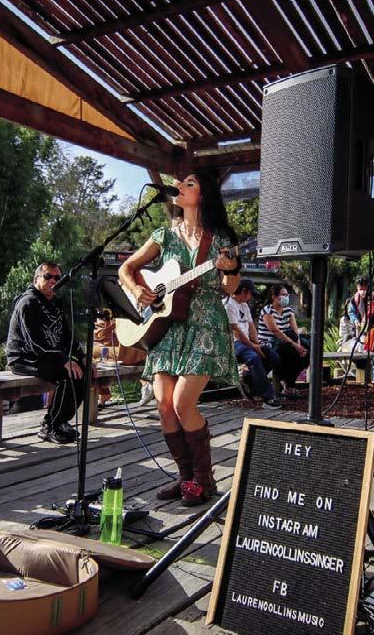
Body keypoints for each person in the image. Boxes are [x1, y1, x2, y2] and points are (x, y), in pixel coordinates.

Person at [119, 171, 240, 506]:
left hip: (205, 325)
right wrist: (138, 291)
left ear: (204, 194)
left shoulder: (221, 238)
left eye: (189, 183)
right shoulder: (164, 236)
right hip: (167, 326)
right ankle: (185, 478)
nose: (180, 187)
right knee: (163, 405)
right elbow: (126, 269)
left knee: (182, 403)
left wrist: (229, 269)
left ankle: (204, 480)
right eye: (180, 183)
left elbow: (230, 288)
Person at [6, 261, 86, 444]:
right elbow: (35, 344)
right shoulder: (27, 303)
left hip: (47, 357)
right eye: (48, 276)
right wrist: (63, 360)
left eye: (57, 278)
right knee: (67, 375)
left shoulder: (56, 304)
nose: (53, 281)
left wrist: (81, 356)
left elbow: (67, 337)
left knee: (82, 370)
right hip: (24, 358)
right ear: (36, 279)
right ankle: (50, 425)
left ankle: (59, 421)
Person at [224, 279, 281, 409]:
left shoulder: (244, 306)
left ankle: (248, 380)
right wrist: (254, 347)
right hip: (232, 343)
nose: (251, 297)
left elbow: (251, 327)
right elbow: (237, 332)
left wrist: (258, 343)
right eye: (251, 293)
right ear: (244, 291)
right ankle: (268, 398)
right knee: (254, 357)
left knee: (273, 356)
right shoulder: (228, 305)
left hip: (245, 342)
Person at [257, 285, 309, 399]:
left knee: (306, 348)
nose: (286, 297)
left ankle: (289, 384)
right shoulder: (267, 310)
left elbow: (295, 331)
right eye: (283, 295)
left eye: (287, 295)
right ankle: (288, 386)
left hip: (287, 342)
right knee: (287, 350)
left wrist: (299, 346)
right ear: (274, 297)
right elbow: (275, 331)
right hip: (269, 342)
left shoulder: (288, 311)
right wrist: (294, 345)